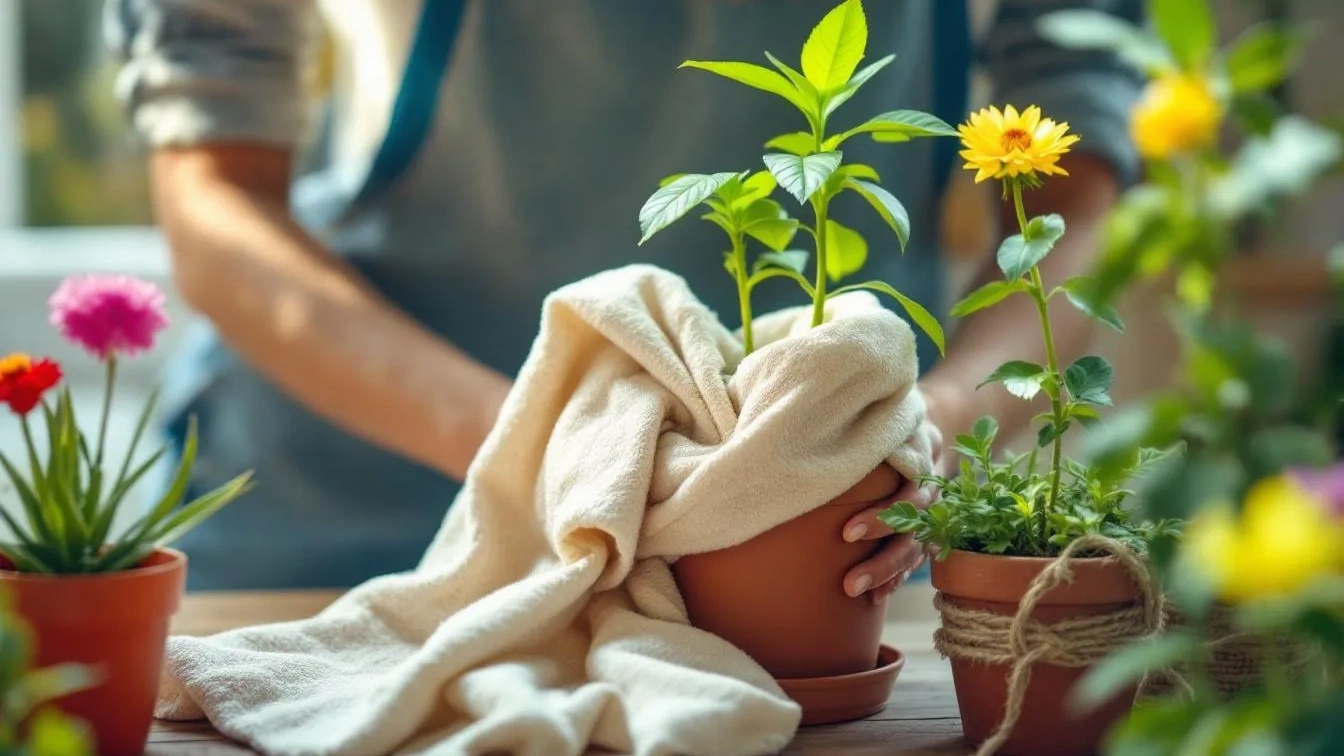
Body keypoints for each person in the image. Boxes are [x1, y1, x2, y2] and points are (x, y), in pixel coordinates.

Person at [104, 0, 1142, 593]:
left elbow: (1074, 206)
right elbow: (216, 199)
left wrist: (939, 424)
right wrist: (552, 454)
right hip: (354, 524)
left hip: (821, 533)